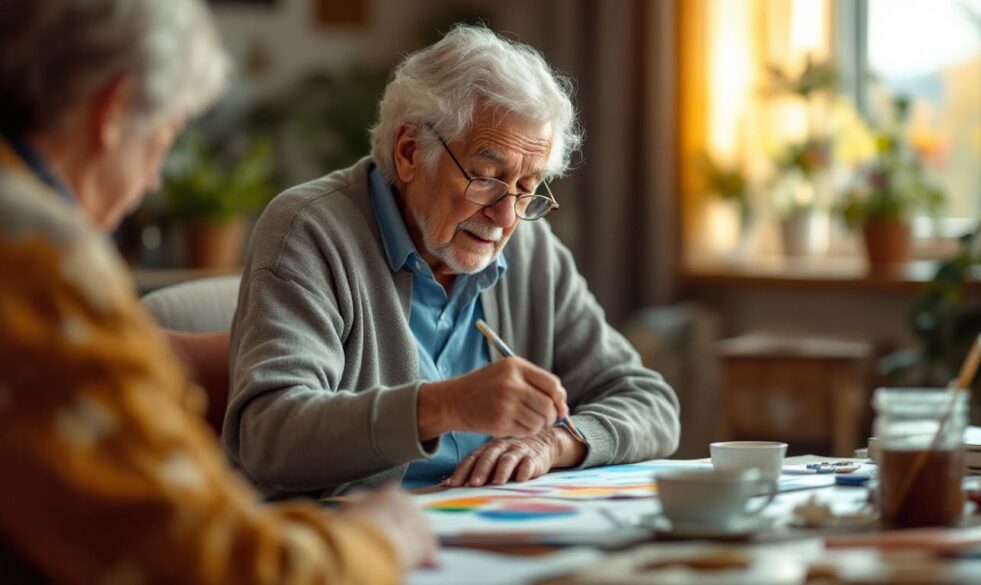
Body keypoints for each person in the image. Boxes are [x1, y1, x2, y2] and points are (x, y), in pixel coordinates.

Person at [0, 1, 435, 583]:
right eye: (164, 138)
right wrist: (377, 540)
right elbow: (210, 562)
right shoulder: (40, 260)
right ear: (113, 110)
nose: (153, 180)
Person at [226, 24, 681, 499]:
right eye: (486, 178)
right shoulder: (309, 231)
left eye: (527, 189)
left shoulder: (531, 250)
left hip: (491, 533)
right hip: (350, 543)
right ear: (409, 152)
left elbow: (650, 401)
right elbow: (268, 434)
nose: (506, 216)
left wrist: (556, 442)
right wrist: (443, 407)